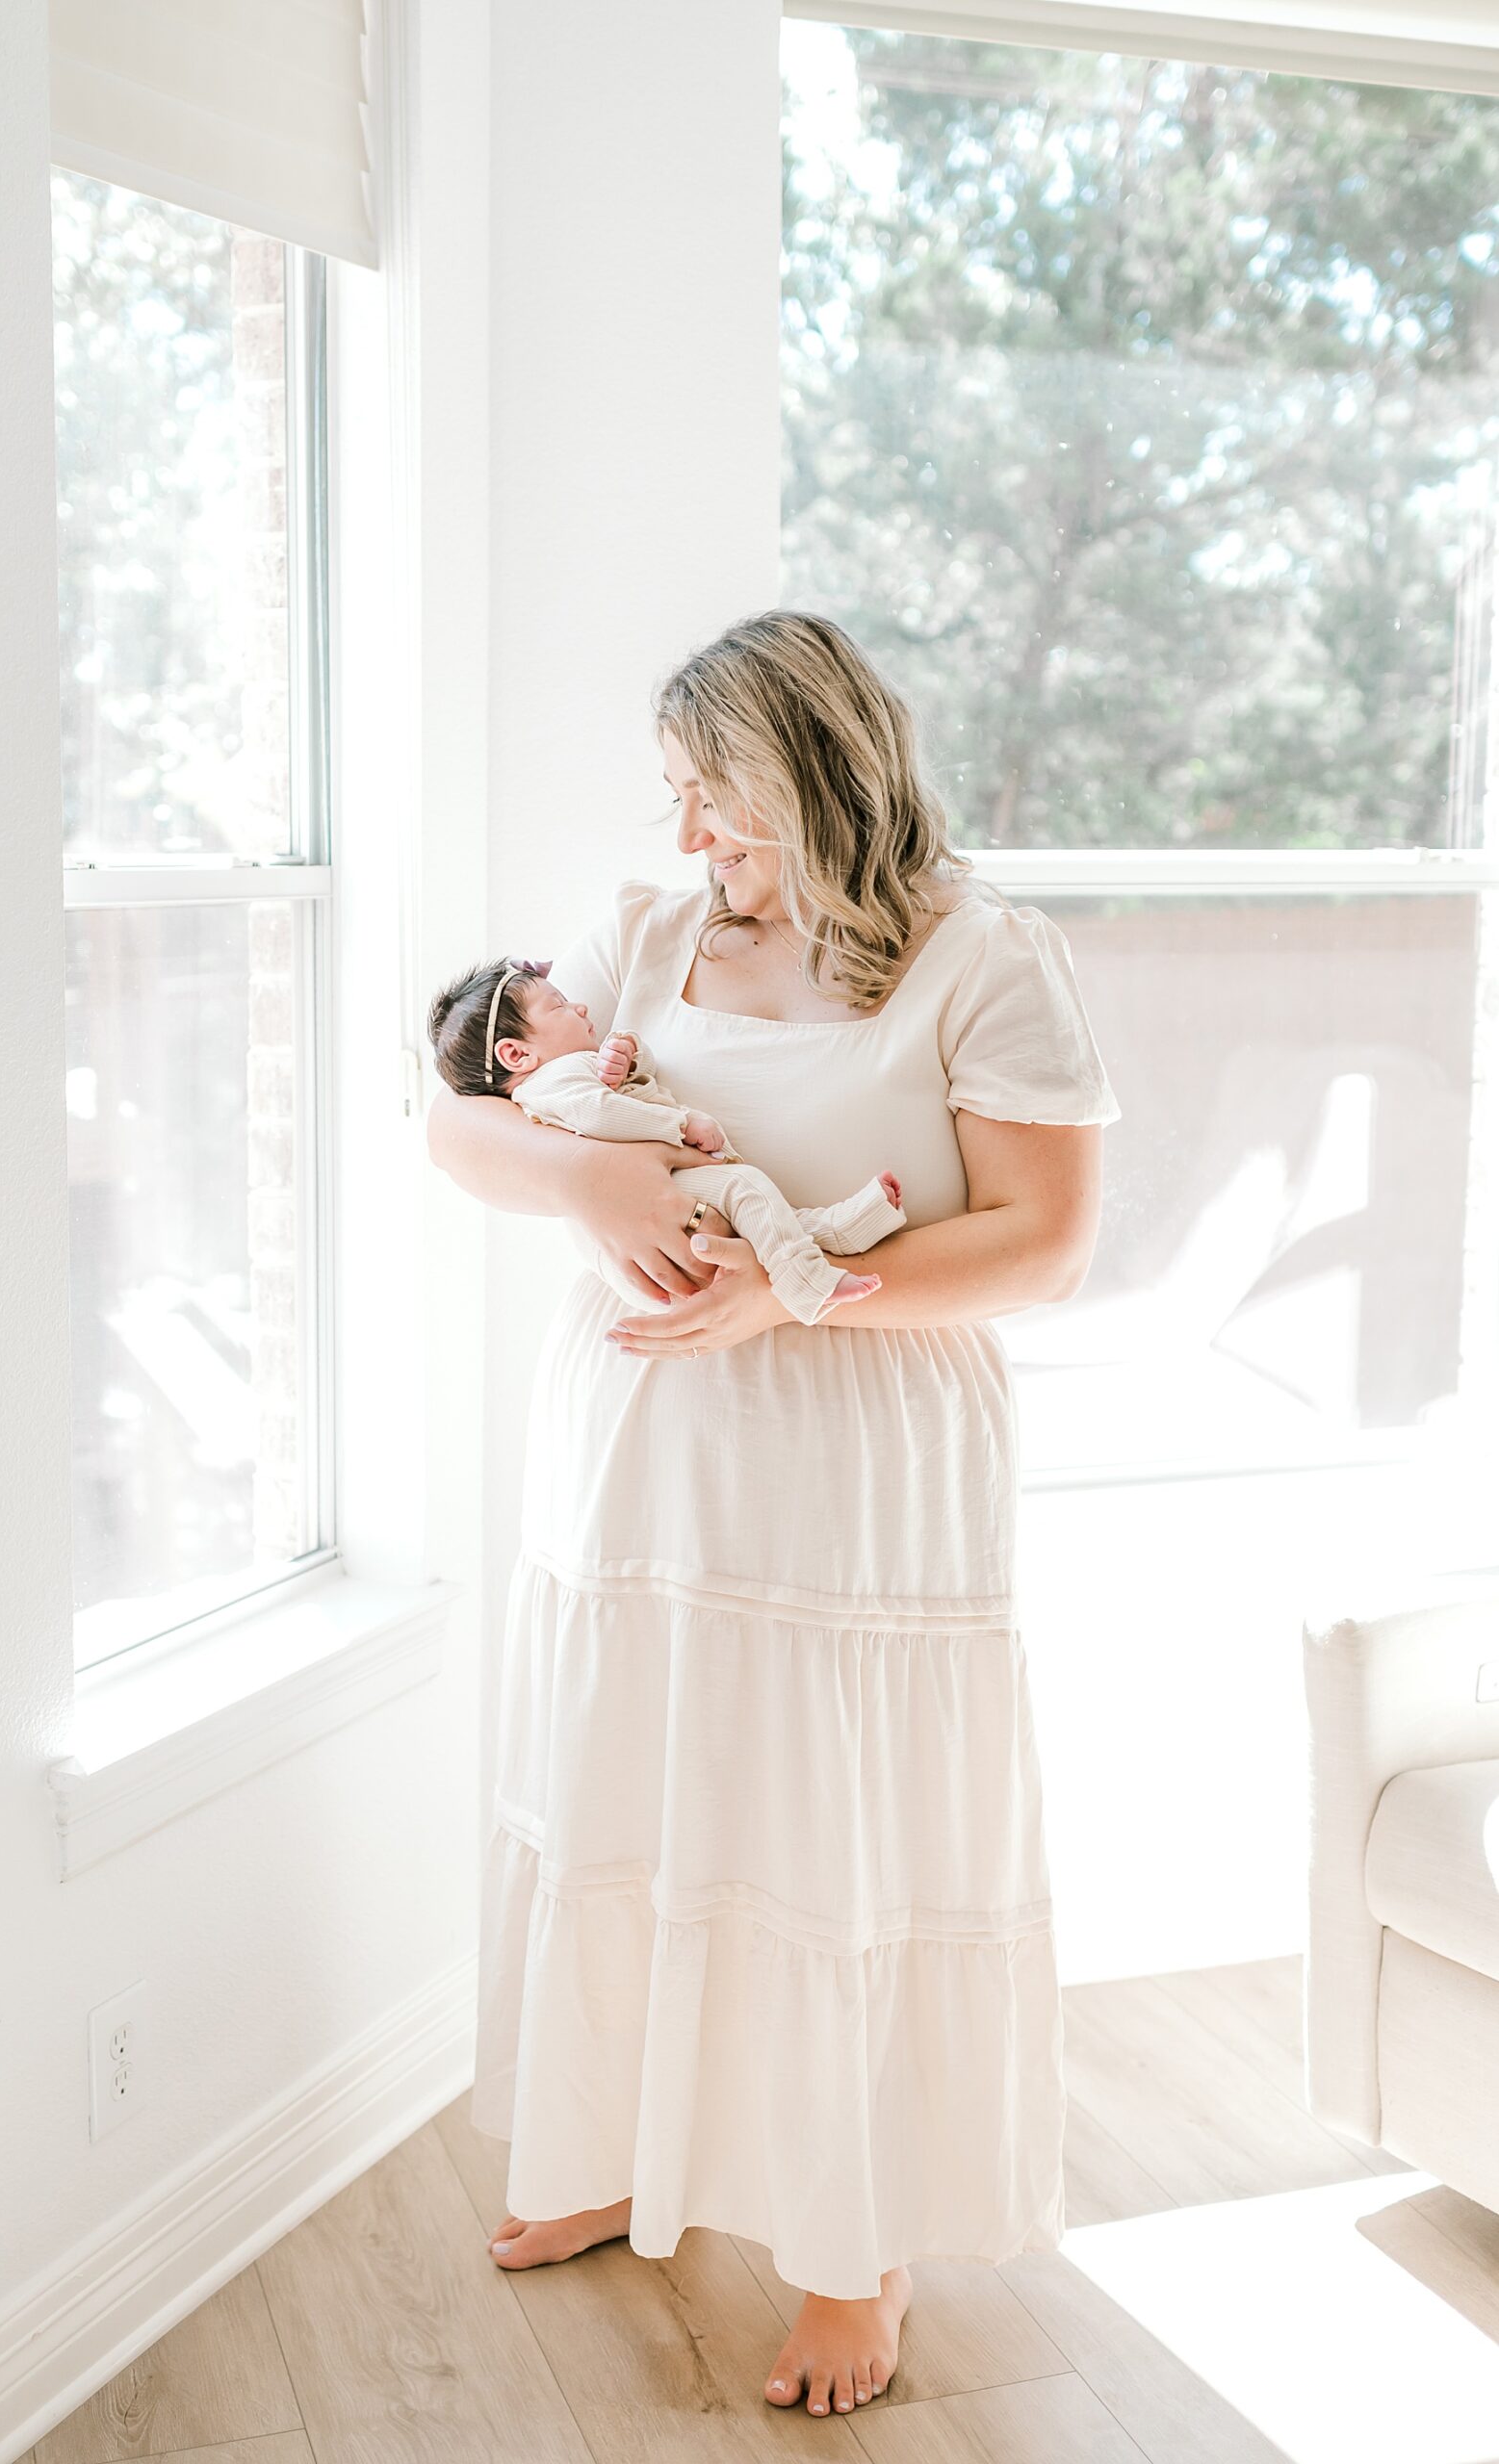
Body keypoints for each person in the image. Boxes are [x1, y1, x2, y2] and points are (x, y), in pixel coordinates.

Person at [425, 608, 1121, 2421]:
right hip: (643, 1465)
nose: (683, 845)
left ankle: (846, 2261)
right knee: (634, 1789)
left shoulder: (981, 957)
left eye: (712, 804)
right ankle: (609, 2148)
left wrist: (789, 1296)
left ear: (814, 776)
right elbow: (458, 1134)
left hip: (859, 1469)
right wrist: (594, 1184)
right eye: (671, 802)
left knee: (837, 1846)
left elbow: (1041, 1247)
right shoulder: (648, 935)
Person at [423, 956, 904, 1321]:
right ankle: (806, 1286)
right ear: (515, 1053)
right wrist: (677, 1127)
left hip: (672, 1184)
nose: (580, 1005)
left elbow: (637, 1086)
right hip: (665, 1189)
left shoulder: (572, 1069)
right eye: (559, 1005)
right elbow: (601, 1114)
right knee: (747, 1190)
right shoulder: (551, 1083)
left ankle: (839, 1231)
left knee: (760, 1214)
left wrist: (629, 1055)